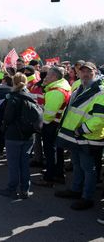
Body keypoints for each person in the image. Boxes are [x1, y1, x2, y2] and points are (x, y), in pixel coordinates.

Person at [56, 62, 104, 211]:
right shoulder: (79, 88)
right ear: (78, 73)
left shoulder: (100, 92)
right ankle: (76, 190)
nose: (85, 74)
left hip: (88, 137)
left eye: (89, 71)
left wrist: (82, 129)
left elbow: (100, 118)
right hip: (75, 136)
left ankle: (87, 197)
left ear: (95, 72)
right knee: (77, 164)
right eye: (82, 71)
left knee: (88, 169)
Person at [0, 73, 35, 199]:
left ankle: (12, 188)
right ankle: (25, 190)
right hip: (29, 135)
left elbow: (7, 118)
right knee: (24, 163)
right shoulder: (31, 96)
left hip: (14, 135)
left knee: (13, 164)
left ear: (13, 82)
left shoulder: (13, 97)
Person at [33, 67, 71, 187]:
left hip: (51, 125)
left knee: (50, 153)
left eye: (48, 75)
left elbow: (48, 115)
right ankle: (58, 173)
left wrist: (40, 121)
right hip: (57, 124)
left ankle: (49, 177)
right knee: (57, 152)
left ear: (54, 77)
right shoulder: (63, 86)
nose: (45, 77)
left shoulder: (56, 91)